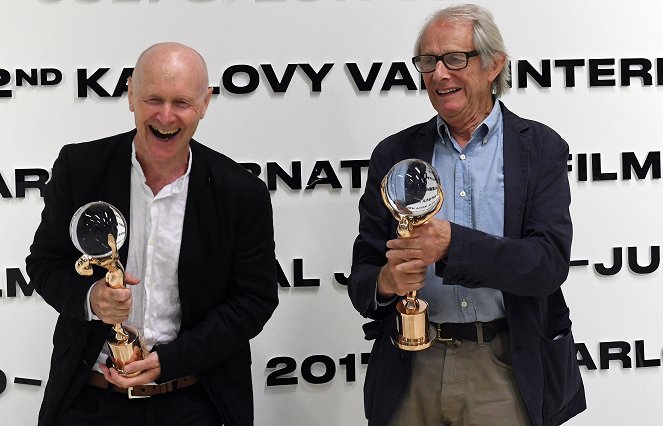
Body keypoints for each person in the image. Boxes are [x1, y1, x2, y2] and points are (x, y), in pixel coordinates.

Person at [348, 4, 585, 426]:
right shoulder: (394, 154)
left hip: (505, 367)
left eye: (455, 58)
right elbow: (363, 273)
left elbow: (547, 265)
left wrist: (453, 245)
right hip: (411, 367)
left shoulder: (540, 148)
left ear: (494, 65)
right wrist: (385, 282)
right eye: (427, 61)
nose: (439, 74)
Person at [26, 42, 278, 425]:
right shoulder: (79, 168)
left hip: (196, 401)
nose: (165, 116)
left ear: (205, 103)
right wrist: (91, 297)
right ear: (130, 95)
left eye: (182, 102)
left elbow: (254, 300)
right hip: (89, 400)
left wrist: (169, 361)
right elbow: (45, 264)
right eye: (153, 99)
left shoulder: (240, 192)